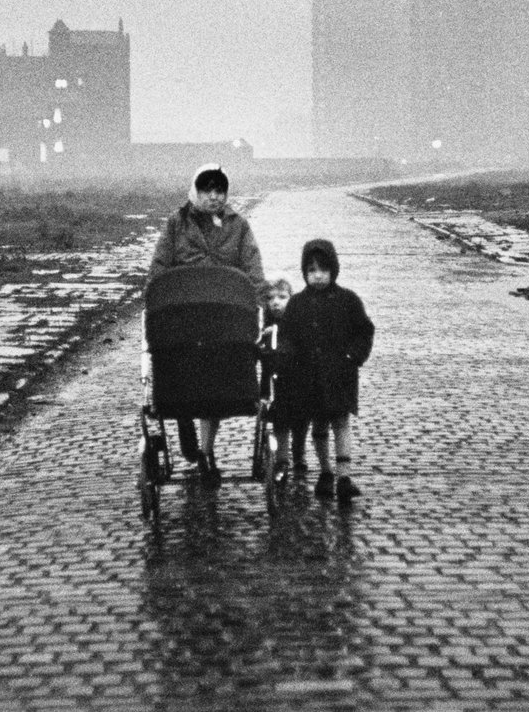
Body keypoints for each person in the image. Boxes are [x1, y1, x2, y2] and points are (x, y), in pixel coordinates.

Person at [148, 163, 265, 484]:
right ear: (195, 191)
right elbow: (159, 266)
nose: (214, 197)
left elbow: (252, 266)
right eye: (207, 190)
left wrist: (261, 302)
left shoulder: (238, 226)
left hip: (222, 318)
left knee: (217, 387)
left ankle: (205, 451)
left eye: (219, 191)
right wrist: (157, 301)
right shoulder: (177, 224)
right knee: (182, 375)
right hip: (184, 316)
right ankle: (185, 417)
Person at [277, 239, 374, 503]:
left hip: (340, 374)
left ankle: (344, 475)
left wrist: (353, 355)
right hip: (309, 376)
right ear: (304, 273)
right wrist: (288, 357)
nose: (317, 276)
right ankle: (325, 471)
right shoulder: (297, 304)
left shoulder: (348, 300)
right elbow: (287, 335)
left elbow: (364, 330)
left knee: (341, 422)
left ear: (333, 270)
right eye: (311, 270)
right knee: (318, 424)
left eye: (323, 270)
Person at [257, 276, 308, 480]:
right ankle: (282, 459)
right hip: (274, 382)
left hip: (298, 379)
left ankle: (299, 452)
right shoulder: (264, 325)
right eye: (270, 298)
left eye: (282, 297)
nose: (275, 302)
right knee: (281, 420)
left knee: (302, 421)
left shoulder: (297, 322)